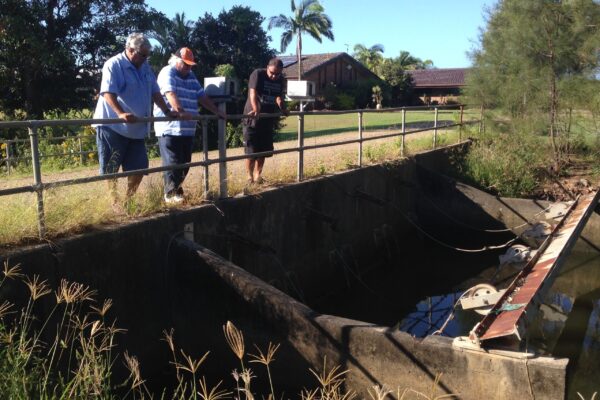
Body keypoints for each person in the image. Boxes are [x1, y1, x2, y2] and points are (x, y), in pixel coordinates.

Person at [93, 32, 178, 203]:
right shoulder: (114, 64)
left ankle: (128, 201)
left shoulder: (145, 67)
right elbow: (107, 93)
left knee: (139, 167)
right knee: (111, 168)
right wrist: (120, 113)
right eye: (142, 55)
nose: (145, 59)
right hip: (113, 126)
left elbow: (155, 92)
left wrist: (167, 111)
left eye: (147, 56)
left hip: (136, 128)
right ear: (130, 50)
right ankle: (114, 203)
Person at [154, 47, 226, 204]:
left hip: (188, 128)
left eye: (190, 65)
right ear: (176, 60)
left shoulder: (191, 76)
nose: (188, 68)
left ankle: (177, 190)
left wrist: (216, 111)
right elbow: (169, 93)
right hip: (169, 126)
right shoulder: (168, 72)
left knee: (185, 161)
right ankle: (170, 193)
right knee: (172, 160)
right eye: (185, 64)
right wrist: (180, 111)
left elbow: (201, 96)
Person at [243, 57, 288, 184]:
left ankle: (258, 176)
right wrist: (256, 108)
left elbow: (279, 96)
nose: (274, 76)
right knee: (251, 150)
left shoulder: (280, 80)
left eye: (277, 74)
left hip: (267, 118)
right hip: (252, 118)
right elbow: (253, 92)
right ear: (267, 67)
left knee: (263, 150)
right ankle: (249, 177)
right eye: (272, 73)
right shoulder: (258, 74)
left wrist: (284, 108)